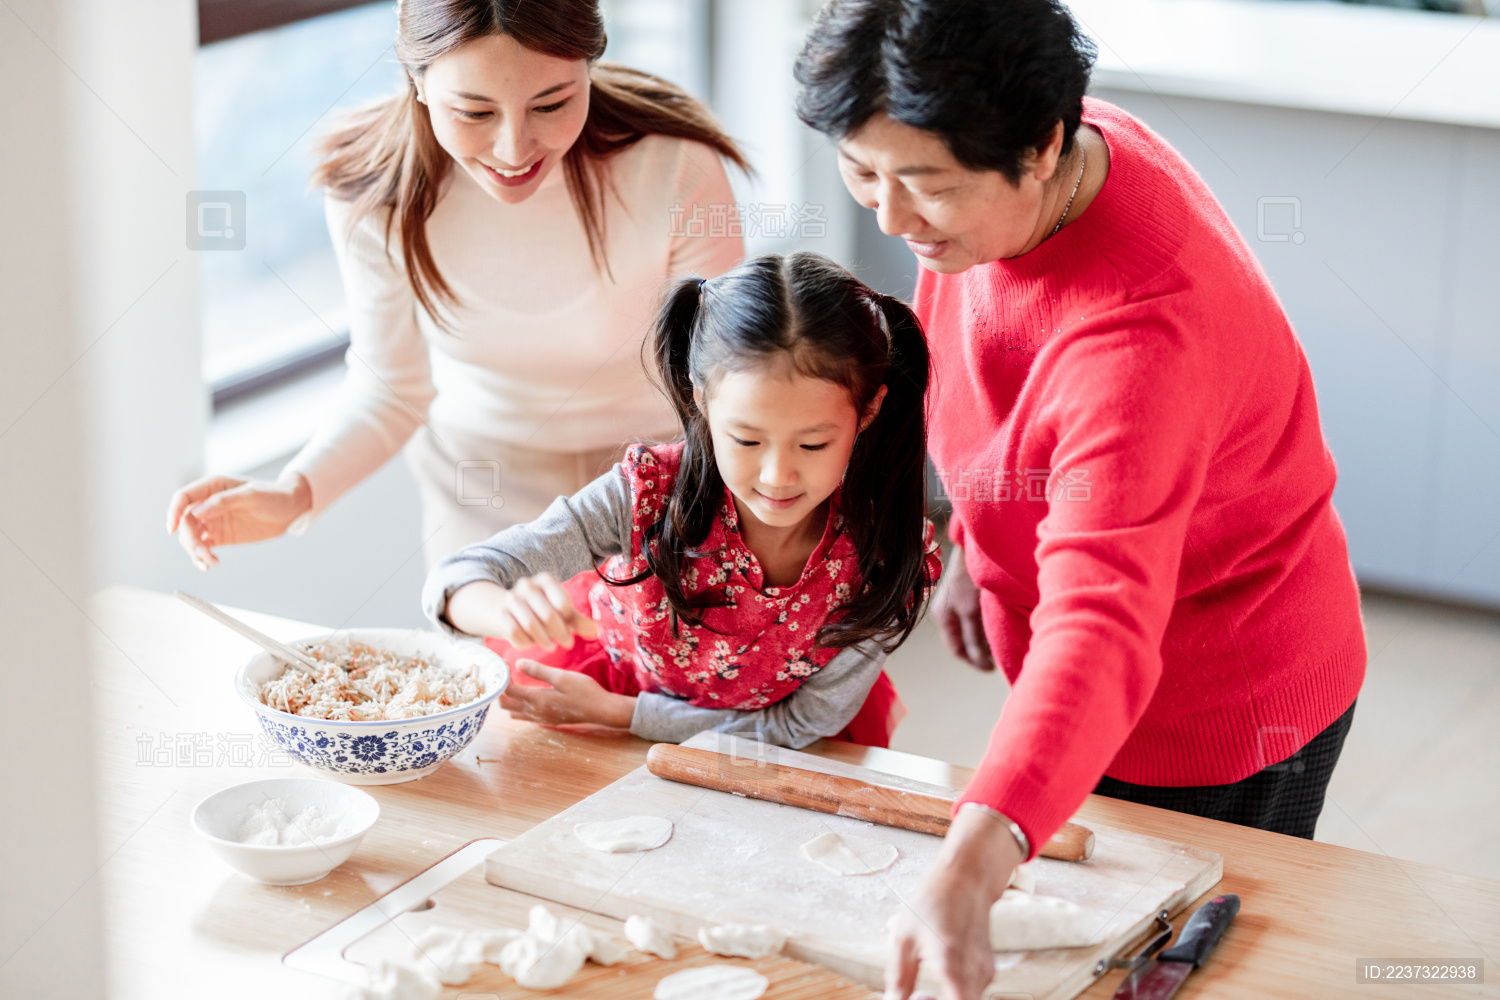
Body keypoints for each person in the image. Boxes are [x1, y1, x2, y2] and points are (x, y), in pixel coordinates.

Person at [794, 0, 1365, 996]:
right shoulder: (1031, 161)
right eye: (862, 173)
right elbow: (1001, 388)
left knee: (1153, 963)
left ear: (1044, 143)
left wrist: (969, 866)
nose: (889, 218)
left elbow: (1101, 627)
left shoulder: (1142, 341)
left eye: (925, 185)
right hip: (1111, 657)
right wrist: (981, 540)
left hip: (1219, 703)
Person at [166, 0, 746, 572]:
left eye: (552, 103)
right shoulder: (376, 197)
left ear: (589, 66)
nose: (514, 150)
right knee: (501, 663)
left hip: (664, 474)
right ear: (417, 81)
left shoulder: (674, 166)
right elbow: (390, 388)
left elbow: (725, 377)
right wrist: (295, 492)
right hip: (483, 485)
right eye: (474, 112)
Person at [421, 253, 941, 748]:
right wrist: (504, 609)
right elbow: (454, 579)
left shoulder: (887, 552)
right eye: (747, 440)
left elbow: (801, 724)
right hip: (603, 690)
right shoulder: (646, 494)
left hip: (721, 738)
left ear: (869, 410)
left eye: (812, 444)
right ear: (701, 399)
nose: (777, 475)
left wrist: (625, 716)